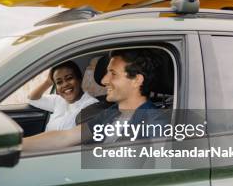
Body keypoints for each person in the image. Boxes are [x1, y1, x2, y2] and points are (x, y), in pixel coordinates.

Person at [23, 49, 169, 151]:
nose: (104, 80)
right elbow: (65, 137)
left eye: (113, 73)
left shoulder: (155, 125)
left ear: (136, 80)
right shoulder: (112, 113)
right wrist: (17, 145)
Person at [28, 61, 98, 131]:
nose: (65, 85)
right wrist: (48, 82)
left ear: (79, 79)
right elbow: (32, 98)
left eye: (69, 78)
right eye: (59, 82)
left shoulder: (91, 105)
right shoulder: (58, 100)